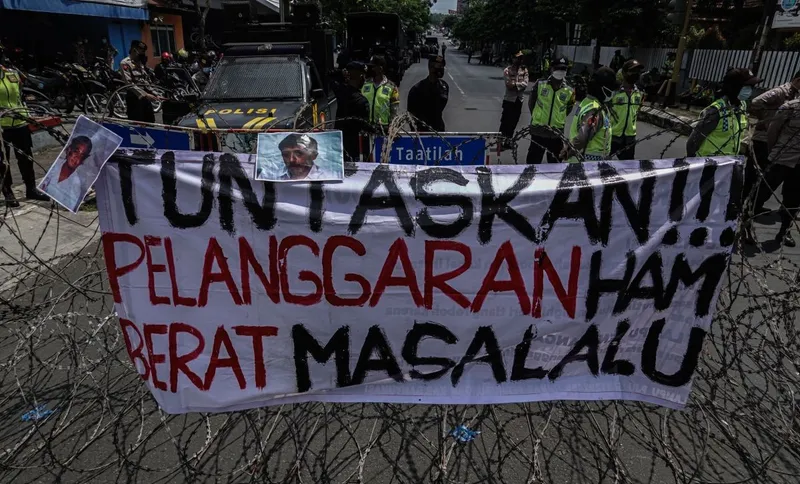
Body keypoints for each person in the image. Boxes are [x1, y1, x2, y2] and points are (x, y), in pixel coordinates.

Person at [0, 45, 51, 207]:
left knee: (26, 158)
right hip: (2, 127)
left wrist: (27, 114)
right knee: (3, 162)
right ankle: (7, 192)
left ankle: (31, 188)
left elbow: (20, 96)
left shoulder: (12, 74)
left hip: (20, 122)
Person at [745, 70, 800, 216]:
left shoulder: (794, 95)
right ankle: (747, 207)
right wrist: (766, 119)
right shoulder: (780, 92)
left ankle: (754, 206)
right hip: (764, 139)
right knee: (757, 177)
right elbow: (756, 102)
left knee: (765, 178)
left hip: (778, 142)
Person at [747, 98, 800, 247]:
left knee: (793, 201)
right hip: (781, 158)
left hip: (798, 166)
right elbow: (772, 131)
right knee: (761, 193)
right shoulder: (790, 107)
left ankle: (784, 232)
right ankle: (746, 227)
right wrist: (774, 151)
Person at [686, 67, 759, 158]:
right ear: (734, 88)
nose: (750, 90)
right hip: (707, 163)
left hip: (728, 163)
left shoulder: (742, 106)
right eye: (747, 87)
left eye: (751, 87)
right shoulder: (716, 111)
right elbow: (693, 141)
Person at [563, 67, 617, 162]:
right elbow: (582, 138)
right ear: (602, 88)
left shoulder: (587, 102)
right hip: (588, 165)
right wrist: (567, 152)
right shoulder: (595, 110)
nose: (613, 92)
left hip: (581, 163)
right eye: (611, 88)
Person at [527, 56, 574, 163]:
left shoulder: (570, 90)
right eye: (558, 68)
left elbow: (568, 108)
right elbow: (531, 103)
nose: (560, 71)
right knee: (532, 164)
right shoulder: (540, 84)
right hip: (538, 131)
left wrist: (556, 118)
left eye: (563, 69)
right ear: (552, 69)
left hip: (556, 134)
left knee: (555, 166)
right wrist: (538, 116)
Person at [39, 136, 94, 211]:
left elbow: (70, 206)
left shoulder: (76, 183)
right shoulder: (56, 166)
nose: (76, 158)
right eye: (76, 152)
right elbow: (44, 186)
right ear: (69, 150)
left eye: (82, 156)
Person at [333, 61, 371, 161]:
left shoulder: (340, 91)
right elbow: (365, 126)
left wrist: (341, 73)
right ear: (361, 77)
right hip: (355, 149)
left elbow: (330, 76)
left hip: (339, 143)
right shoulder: (361, 101)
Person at [610, 59, 645, 160]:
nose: (636, 74)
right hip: (613, 136)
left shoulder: (639, 93)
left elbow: (637, 110)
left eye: (638, 71)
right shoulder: (615, 91)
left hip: (630, 138)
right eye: (632, 71)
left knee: (627, 169)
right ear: (625, 73)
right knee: (602, 166)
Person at [407, 55, 449, 132]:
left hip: (439, 130)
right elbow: (411, 115)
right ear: (431, 68)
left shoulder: (444, 86)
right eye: (439, 66)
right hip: (422, 132)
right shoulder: (417, 89)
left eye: (442, 67)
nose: (441, 69)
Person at [119, 40, 158, 123]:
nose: (143, 54)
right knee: (138, 126)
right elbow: (129, 84)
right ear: (134, 50)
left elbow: (145, 81)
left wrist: (154, 92)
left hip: (145, 99)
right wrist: (146, 95)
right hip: (134, 99)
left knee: (150, 123)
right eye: (141, 51)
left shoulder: (140, 63)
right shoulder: (125, 63)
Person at [499, 52, 530, 147]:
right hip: (509, 100)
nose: (519, 60)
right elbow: (508, 85)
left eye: (521, 58)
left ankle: (508, 141)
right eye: (517, 58)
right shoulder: (507, 70)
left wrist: (515, 85)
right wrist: (518, 85)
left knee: (513, 122)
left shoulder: (524, 71)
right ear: (513, 59)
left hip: (518, 100)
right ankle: (499, 142)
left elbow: (525, 84)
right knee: (505, 122)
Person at [361, 55, 400, 130]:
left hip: (383, 128)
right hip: (366, 127)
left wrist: (392, 127)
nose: (370, 69)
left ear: (380, 68)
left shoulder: (392, 87)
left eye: (373, 67)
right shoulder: (365, 84)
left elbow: (394, 110)